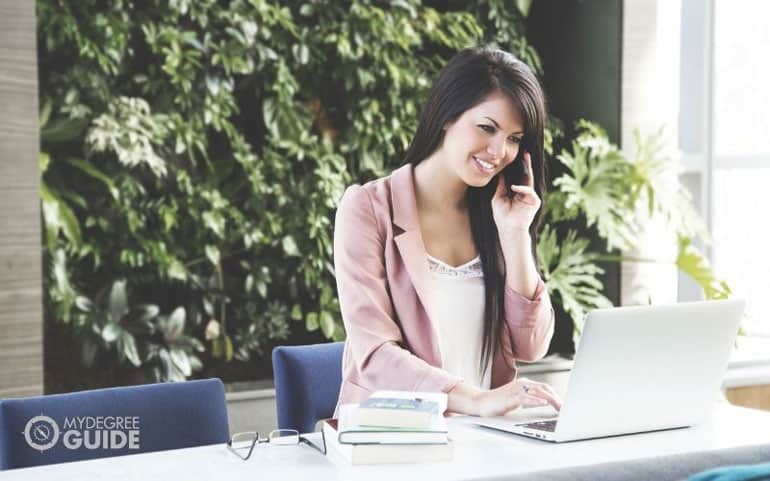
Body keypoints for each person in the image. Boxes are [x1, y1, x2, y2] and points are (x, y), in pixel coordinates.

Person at [333, 45, 561, 417]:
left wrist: (516, 236)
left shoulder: (498, 214)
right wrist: (475, 399)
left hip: (487, 440)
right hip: (396, 437)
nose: (499, 151)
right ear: (446, 117)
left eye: (515, 138)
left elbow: (532, 346)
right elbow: (373, 354)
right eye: (487, 128)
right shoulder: (368, 208)